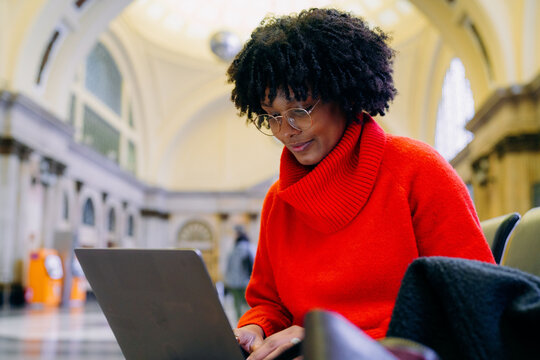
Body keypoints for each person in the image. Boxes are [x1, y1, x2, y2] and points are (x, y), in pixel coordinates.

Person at [226, 8, 495, 360]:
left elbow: (471, 305)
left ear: (343, 92)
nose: (285, 130)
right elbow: (269, 304)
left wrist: (333, 341)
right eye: (272, 116)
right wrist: (255, 328)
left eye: (300, 110)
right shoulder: (278, 202)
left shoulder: (418, 170)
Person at [224, 225, 254, 320]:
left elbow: (227, 268)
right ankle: (248, 323)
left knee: (237, 305)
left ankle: (239, 324)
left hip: (233, 283)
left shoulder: (232, 250)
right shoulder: (250, 249)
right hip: (246, 282)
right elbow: (253, 266)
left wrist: (227, 281)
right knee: (248, 305)